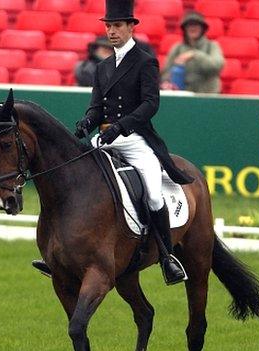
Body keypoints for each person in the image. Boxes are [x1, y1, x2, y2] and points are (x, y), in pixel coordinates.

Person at [33, 0, 194, 285]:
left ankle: (168, 257)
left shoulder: (145, 61)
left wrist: (120, 127)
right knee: (77, 182)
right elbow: (97, 107)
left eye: (117, 25)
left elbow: (150, 104)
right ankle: (62, 254)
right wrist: (87, 121)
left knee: (154, 195)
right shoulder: (103, 66)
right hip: (105, 138)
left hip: (135, 139)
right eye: (108, 26)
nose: (112, 31)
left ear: (131, 27)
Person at [160, 11, 225, 93]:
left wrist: (195, 54)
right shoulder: (177, 48)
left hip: (207, 95)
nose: (193, 28)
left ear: (202, 28)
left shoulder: (212, 46)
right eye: (189, 25)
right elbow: (166, 71)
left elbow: (217, 66)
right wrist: (166, 82)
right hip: (184, 96)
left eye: (196, 25)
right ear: (185, 29)